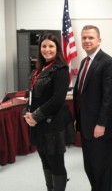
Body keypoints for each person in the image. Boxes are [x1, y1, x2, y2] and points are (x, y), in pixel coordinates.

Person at [73, 25, 112, 191]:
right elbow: (81, 95)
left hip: (99, 127)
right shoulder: (84, 62)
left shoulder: (108, 62)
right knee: (90, 167)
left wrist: (101, 123)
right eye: (84, 37)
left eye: (91, 37)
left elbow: (108, 97)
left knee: (102, 170)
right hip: (86, 126)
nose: (87, 41)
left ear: (99, 40)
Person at [23, 33, 71, 191]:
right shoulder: (38, 70)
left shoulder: (61, 69)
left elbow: (57, 99)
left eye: (51, 46)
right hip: (38, 126)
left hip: (52, 126)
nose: (47, 49)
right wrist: (26, 114)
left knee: (56, 163)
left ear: (57, 49)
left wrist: (35, 116)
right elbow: (29, 95)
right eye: (44, 46)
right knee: (45, 161)